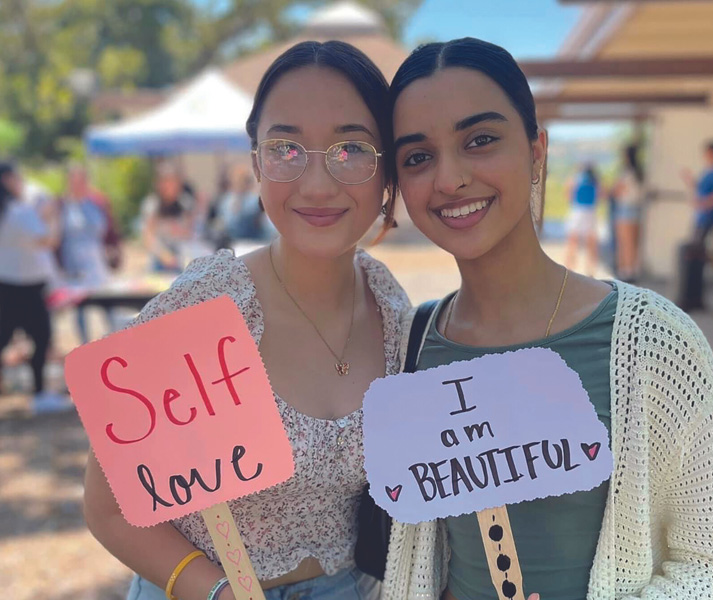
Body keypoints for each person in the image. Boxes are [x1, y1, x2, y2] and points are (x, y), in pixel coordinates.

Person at [380, 38, 713, 600]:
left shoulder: (654, 343)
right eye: (418, 157)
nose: (450, 179)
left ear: (537, 151)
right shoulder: (409, 347)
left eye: (481, 140)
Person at [83, 41, 410, 600]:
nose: (317, 183)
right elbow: (108, 508)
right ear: (256, 161)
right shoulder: (205, 306)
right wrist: (217, 592)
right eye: (286, 148)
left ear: (388, 170)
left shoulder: (395, 311)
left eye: (351, 147)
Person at [0, 161, 70, 413]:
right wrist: (53, 217)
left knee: (6, 337)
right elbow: (47, 239)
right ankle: (39, 393)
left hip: (7, 284)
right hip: (27, 287)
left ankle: (38, 391)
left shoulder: (9, 211)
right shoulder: (18, 210)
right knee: (40, 338)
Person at [58, 164, 114, 343]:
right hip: (73, 262)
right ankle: (85, 344)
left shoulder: (97, 203)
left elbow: (108, 230)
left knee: (107, 304)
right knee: (80, 308)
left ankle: (115, 341)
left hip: (96, 260)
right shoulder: (62, 205)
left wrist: (112, 249)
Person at [140, 163, 196, 273]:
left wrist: (181, 231)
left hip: (181, 258)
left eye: (174, 182)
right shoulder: (152, 205)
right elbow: (147, 236)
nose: (170, 187)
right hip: (158, 260)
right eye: (167, 182)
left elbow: (191, 231)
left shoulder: (185, 203)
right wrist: (163, 255)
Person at [682, 141, 713, 246]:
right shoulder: (707, 172)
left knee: (696, 247)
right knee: (695, 245)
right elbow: (701, 189)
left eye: (710, 154)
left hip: (707, 217)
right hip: (700, 216)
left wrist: (703, 204)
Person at [611, 145, 645, 282]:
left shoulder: (626, 173)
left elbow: (616, 191)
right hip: (637, 209)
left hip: (625, 209)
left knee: (625, 243)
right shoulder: (640, 173)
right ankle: (632, 271)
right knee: (634, 243)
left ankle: (625, 272)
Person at [564, 164, 600, 276]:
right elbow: (600, 195)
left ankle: (569, 269)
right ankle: (591, 271)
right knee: (591, 243)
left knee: (572, 241)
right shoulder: (595, 181)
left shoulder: (576, 179)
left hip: (578, 211)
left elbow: (568, 194)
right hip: (590, 212)